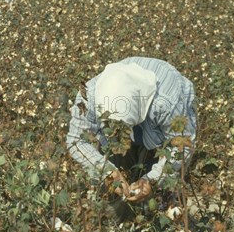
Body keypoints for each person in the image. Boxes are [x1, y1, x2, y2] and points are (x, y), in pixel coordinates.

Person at [66, 57, 197, 205]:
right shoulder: (89, 96)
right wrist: (108, 172)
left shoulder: (167, 102)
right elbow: (75, 140)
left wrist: (152, 180)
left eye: (122, 130)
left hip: (163, 107)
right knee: (115, 185)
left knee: (159, 193)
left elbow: (182, 146)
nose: (118, 135)